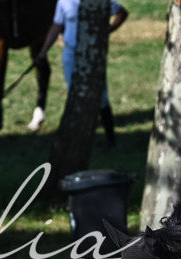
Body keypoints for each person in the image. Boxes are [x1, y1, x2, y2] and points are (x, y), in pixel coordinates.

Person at [37, 0, 128, 148]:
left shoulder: (97, 2)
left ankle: (111, 138)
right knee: (73, 93)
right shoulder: (64, 2)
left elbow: (121, 12)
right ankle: (77, 138)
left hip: (92, 52)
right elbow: (57, 25)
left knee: (102, 94)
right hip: (70, 52)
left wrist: (109, 29)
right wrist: (43, 52)